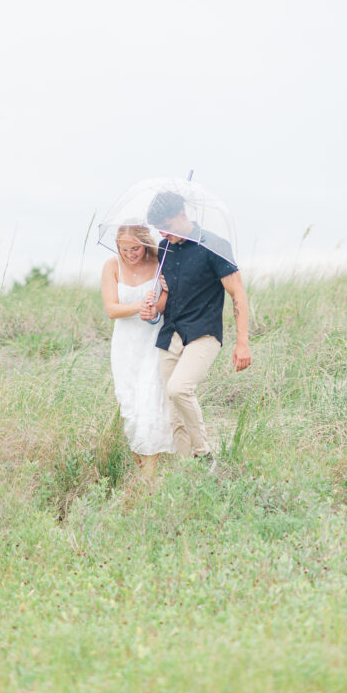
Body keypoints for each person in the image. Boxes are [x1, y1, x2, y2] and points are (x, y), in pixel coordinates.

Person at [141, 191, 251, 465]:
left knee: (179, 389)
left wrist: (243, 342)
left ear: (181, 214)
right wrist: (154, 307)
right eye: (159, 230)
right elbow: (167, 297)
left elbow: (237, 293)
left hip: (204, 333)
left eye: (166, 227)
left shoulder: (215, 245)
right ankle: (186, 473)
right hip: (171, 333)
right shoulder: (164, 248)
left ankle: (204, 454)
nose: (163, 234)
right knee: (173, 411)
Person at [100, 224, 174, 478]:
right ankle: (143, 471)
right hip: (125, 346)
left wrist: (159, 300)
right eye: (125, 249)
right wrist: (138, 305)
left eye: (136, 248)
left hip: (153, 341)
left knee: (150, 404)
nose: (130, 254)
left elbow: (165, 302)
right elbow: (112, 309)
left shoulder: (159, 263)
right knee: (130, 410)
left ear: (146, 244)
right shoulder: (112, 266)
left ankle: (149, 479)